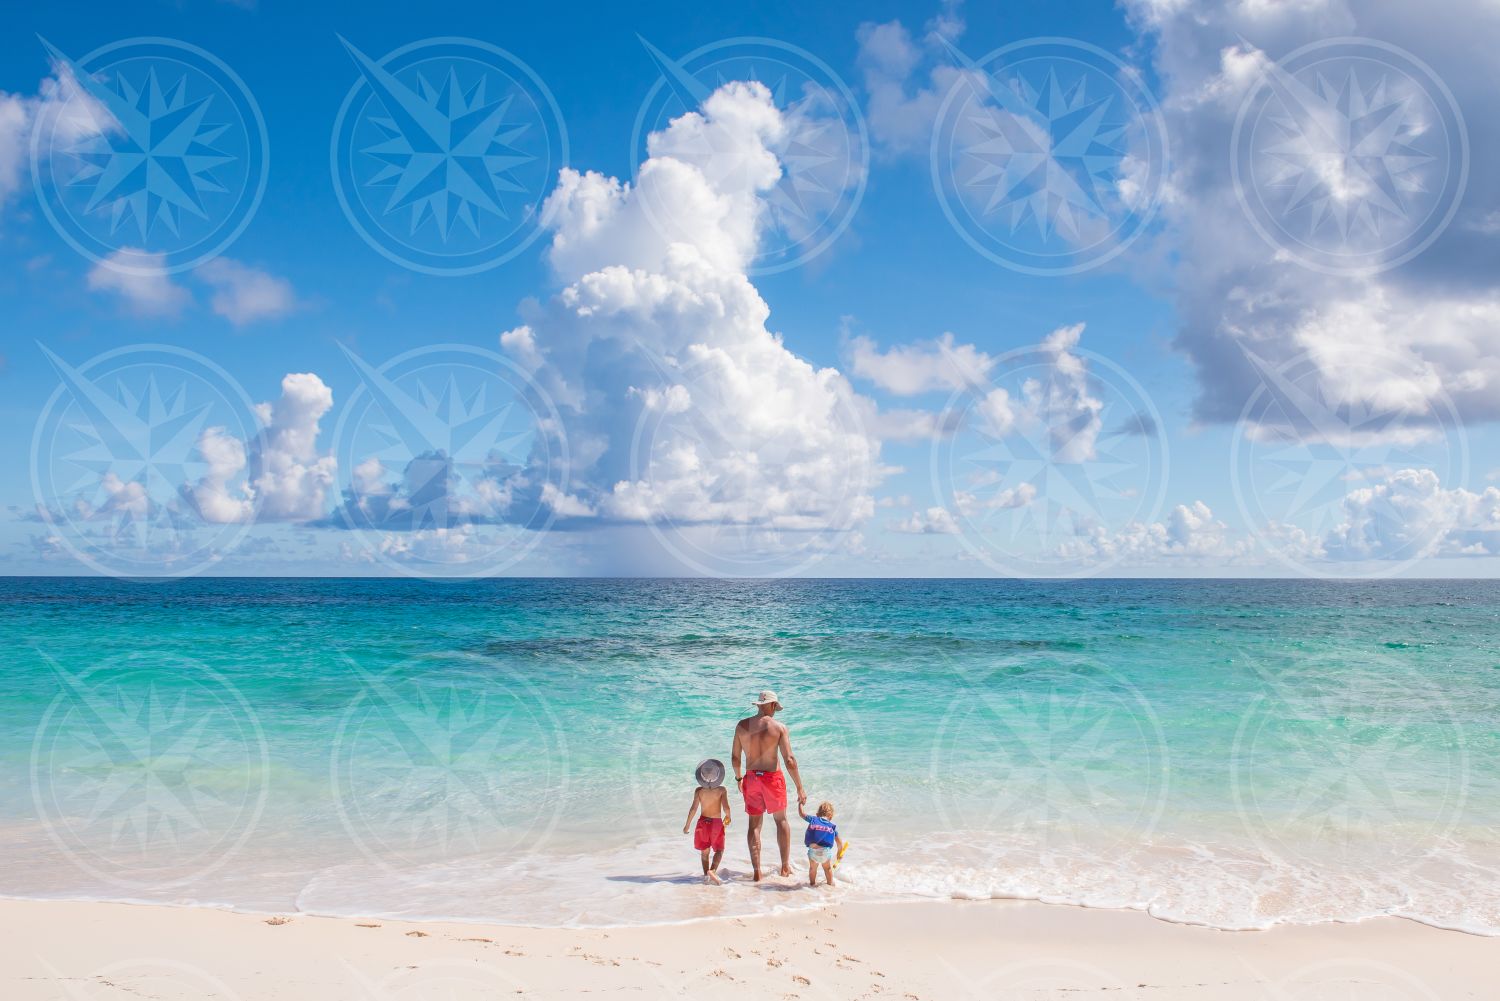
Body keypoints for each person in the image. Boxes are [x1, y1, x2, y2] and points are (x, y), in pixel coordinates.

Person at [731, 690, 807, 880]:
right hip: (772, 778)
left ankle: (757, 872)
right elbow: (789, 759)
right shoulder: (779, 727)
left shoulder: (741, 726)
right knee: (781, 821)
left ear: (758, 705)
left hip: (751, 778)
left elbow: (735, 757)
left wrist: (739, 778)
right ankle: (784, 867)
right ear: (773, 705)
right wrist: (799, 786)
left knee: (754, 825)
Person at [682, 758, 731, 884]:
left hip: (702, 823)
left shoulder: (699, 791)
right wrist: (728, 816)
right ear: (718, 775)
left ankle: (706, 877)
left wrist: (687, 825)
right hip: (716, 823)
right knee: (719, 850)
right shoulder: (721, 790)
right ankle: (712, 870)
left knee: (704, 852)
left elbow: (693, 809)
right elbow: (726, 807)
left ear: (702, 776)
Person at [799, 800, 843, 887]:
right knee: (827, 869)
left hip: (813, 852)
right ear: (830, 816)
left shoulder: (813, 819)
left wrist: (800, 803)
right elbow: (839, 843)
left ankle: (812, 884)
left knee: (812, 869)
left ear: (817, 814)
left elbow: (801, 814)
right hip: (825, 853)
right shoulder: (832, 827)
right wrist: (839, 853)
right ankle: (830, 885)